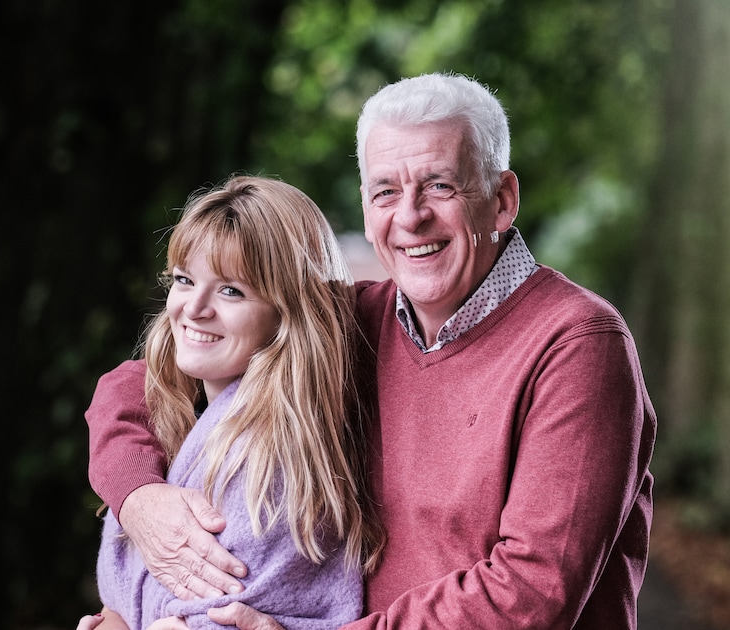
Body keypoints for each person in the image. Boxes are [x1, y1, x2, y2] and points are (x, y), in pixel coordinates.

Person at [83, 72, 656, 629]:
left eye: (440, 185)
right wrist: (139, 496)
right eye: (386, 191)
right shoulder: (355, 322)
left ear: (502, 201)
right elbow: (140, 381)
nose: (410, 216)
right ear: (365, 206)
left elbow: (533, 593)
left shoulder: (578, 344)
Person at [87, 175, 382, 629]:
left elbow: (215, 614)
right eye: (185, 280)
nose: (194, 307)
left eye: (231, 291)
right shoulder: (184, 410)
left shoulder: (270, 461)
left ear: (288, 314)